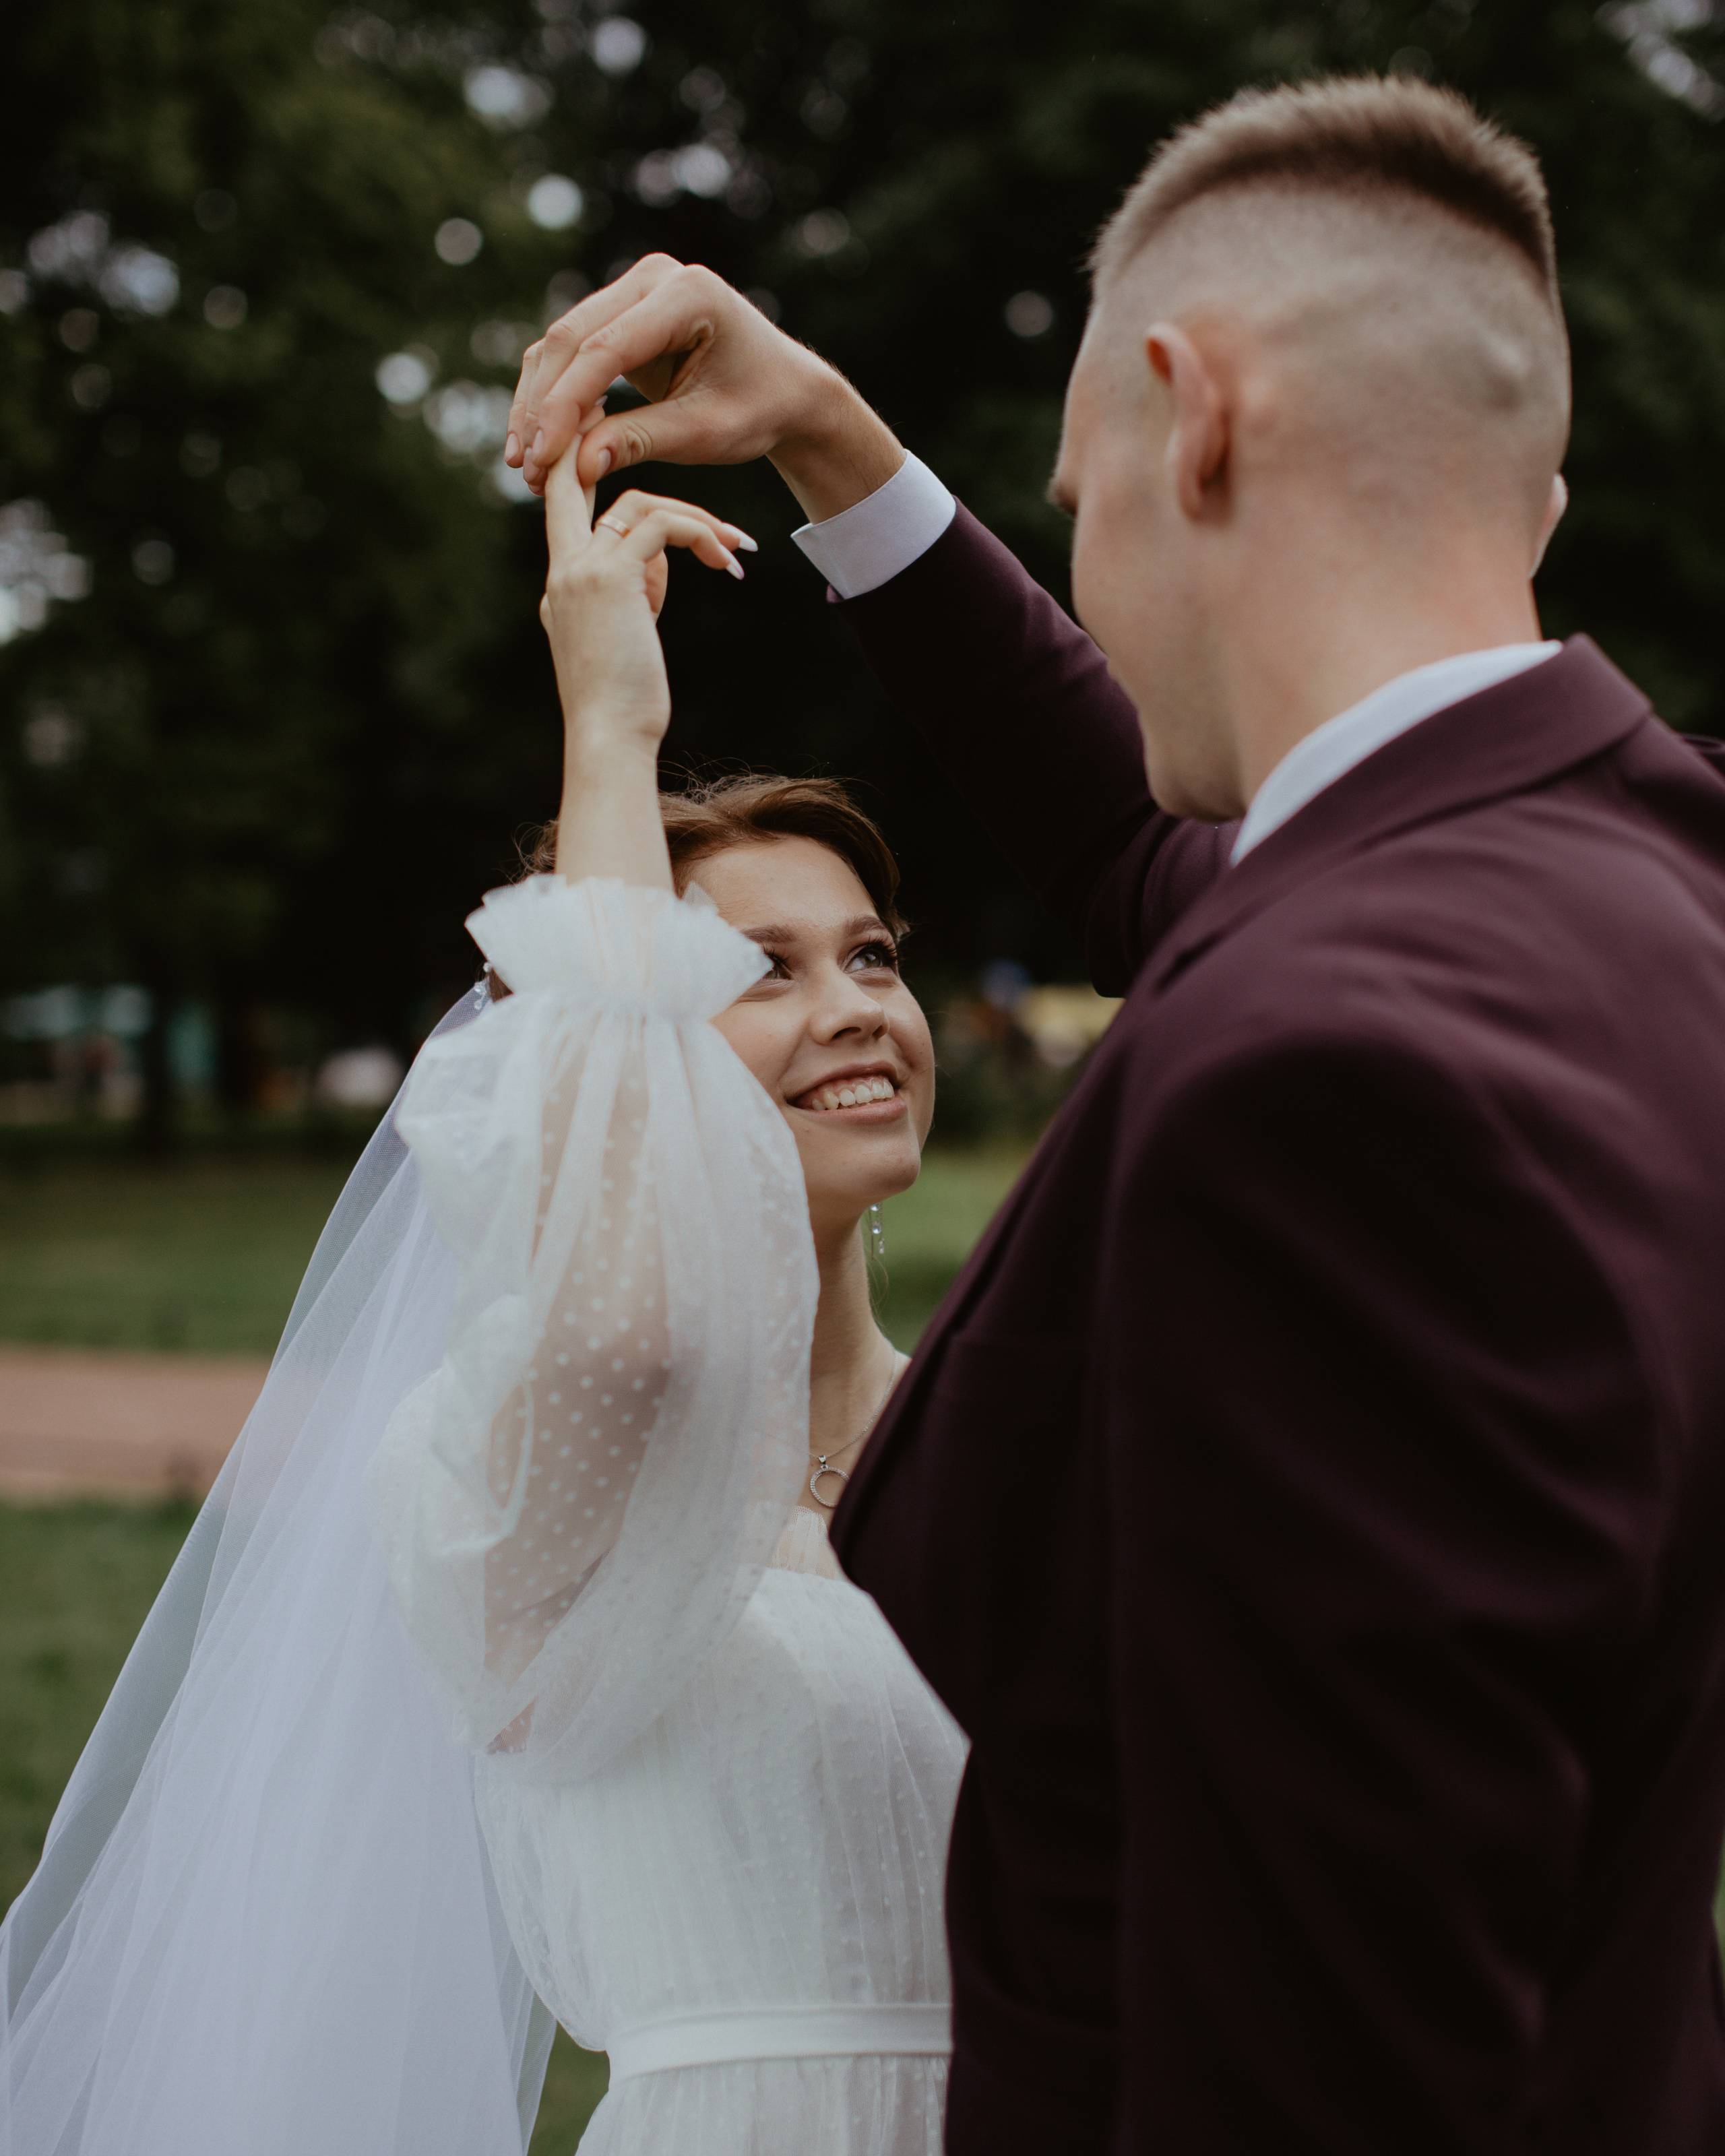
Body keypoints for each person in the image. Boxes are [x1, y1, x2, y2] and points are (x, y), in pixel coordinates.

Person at [506, 73, 1725, 2155]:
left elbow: (1326, 2018)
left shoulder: (1329, 1082)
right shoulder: (1643, 896)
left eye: (1076, 489)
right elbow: (1161, 857)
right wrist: (829, 441)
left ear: (1195, 416)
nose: (1083, 552)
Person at [0, 464, 965, 2153]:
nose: (854, 1007)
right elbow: (631, 1323)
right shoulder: (505, 1459)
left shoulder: (994, 1414)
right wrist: (606, 727)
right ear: (622, 1035)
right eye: (754, 971)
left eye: (871, 954)